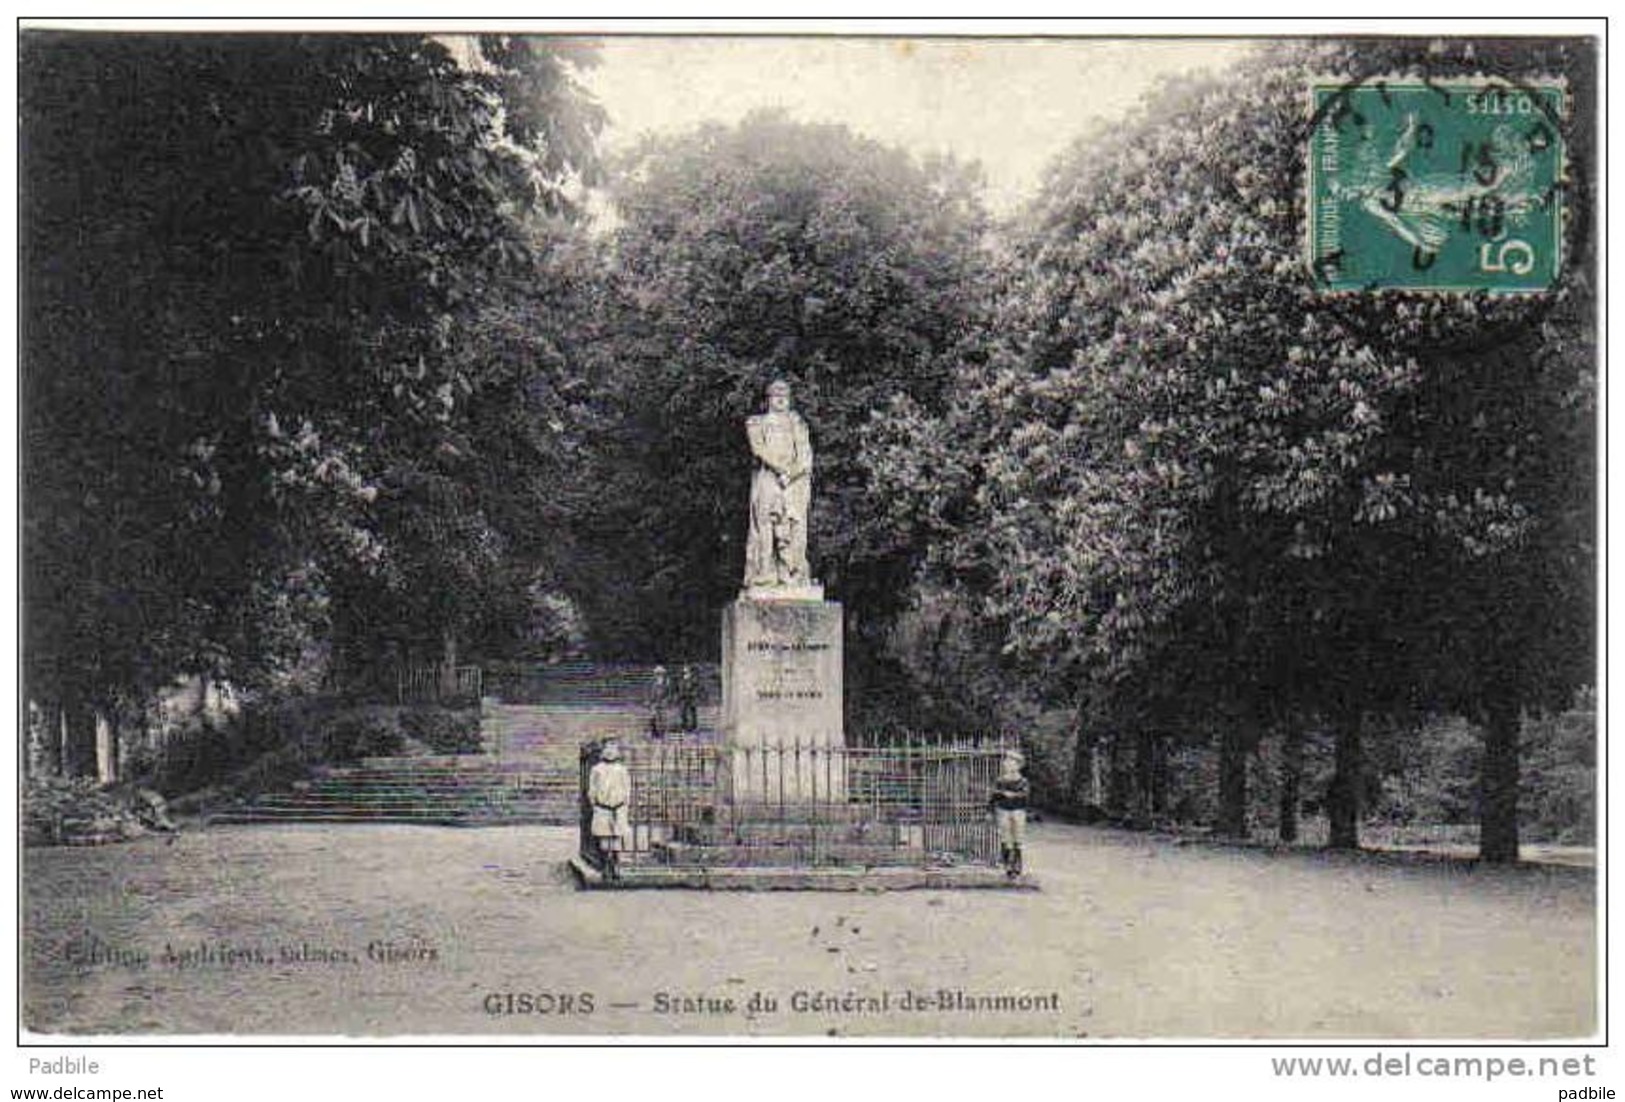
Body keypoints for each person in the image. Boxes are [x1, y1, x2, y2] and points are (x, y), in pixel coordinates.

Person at [743, 379, 813, 590]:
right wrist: (780, 469)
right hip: (768, 477)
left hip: (793, 482)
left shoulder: (797, 423)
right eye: (776, 395)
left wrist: (790, 474)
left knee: (793, 527)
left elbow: (805, 455)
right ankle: (765, 573)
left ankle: (791, 573)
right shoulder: (758, 423)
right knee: (765, 524)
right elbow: (758, 449)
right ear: (769, 399)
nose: (781, 399)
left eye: (785, 395)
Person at [587, 741, 632, 881]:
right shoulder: (597, 770)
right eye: (608, 750)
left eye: (613, 750)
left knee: (617, 838)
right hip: (603, 807)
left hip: (618, 807)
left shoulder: (622, 770)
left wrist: (624, 803)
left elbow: (627, 789)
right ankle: (605, 867)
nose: (610, 753)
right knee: (604, 838)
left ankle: (616, 867)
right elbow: (592, 789)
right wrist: (595, 804)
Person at [989, 751, 1030, 879]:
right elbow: (994, 796)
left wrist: (1013, 795)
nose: (1007, 764)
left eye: (1010, 762)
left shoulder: (1022, 781)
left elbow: (1025, 795)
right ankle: (1007, 864)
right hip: (1003, 810)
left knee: (1018, 837)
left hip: (1018, 811)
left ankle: (1017, 865)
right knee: (1005, 838)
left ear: (1017, 765)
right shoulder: (1001, 780)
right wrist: (991, 810)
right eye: (1006, 761)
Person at [676, 664, 700, 734]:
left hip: (691, 699)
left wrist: (691, 694)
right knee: (683, 713)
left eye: (687, 671)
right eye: (684, 672)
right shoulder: (681, 680)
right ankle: (684, 727)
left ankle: (693, 727)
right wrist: (681, 695)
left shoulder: (693, 680)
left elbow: (695, 690)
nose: (686, 673)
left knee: (692, 714)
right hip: (683, 700)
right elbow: (679, 690)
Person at [647, 665, 670, 740]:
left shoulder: (666, 683)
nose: (658, 675)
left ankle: (661, 733)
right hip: (655, 703)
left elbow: (668, 694)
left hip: (662, 703)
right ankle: (654, 732)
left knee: (661, 719)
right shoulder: (654, 683)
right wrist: (650, 701)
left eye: (659, 673)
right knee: (653, 717)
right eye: (657, 673)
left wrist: (665, 701)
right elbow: (651, 693)